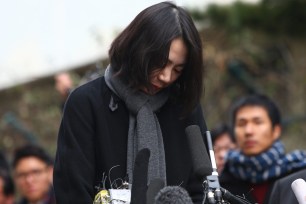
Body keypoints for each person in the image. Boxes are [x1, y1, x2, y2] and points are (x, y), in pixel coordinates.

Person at [53, 1, 207, 203]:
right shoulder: (86, 103)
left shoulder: (184, 107)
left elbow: (202, 188)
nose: (166, 77)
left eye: (178, 69)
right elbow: (72, 190)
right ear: (139, 49)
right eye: (161, 63)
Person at [219, 94, 306, 204]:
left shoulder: (298, 174)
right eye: (242, 124)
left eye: (258, 122)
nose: (248, 131)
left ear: (276, 131)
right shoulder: (221, 185)